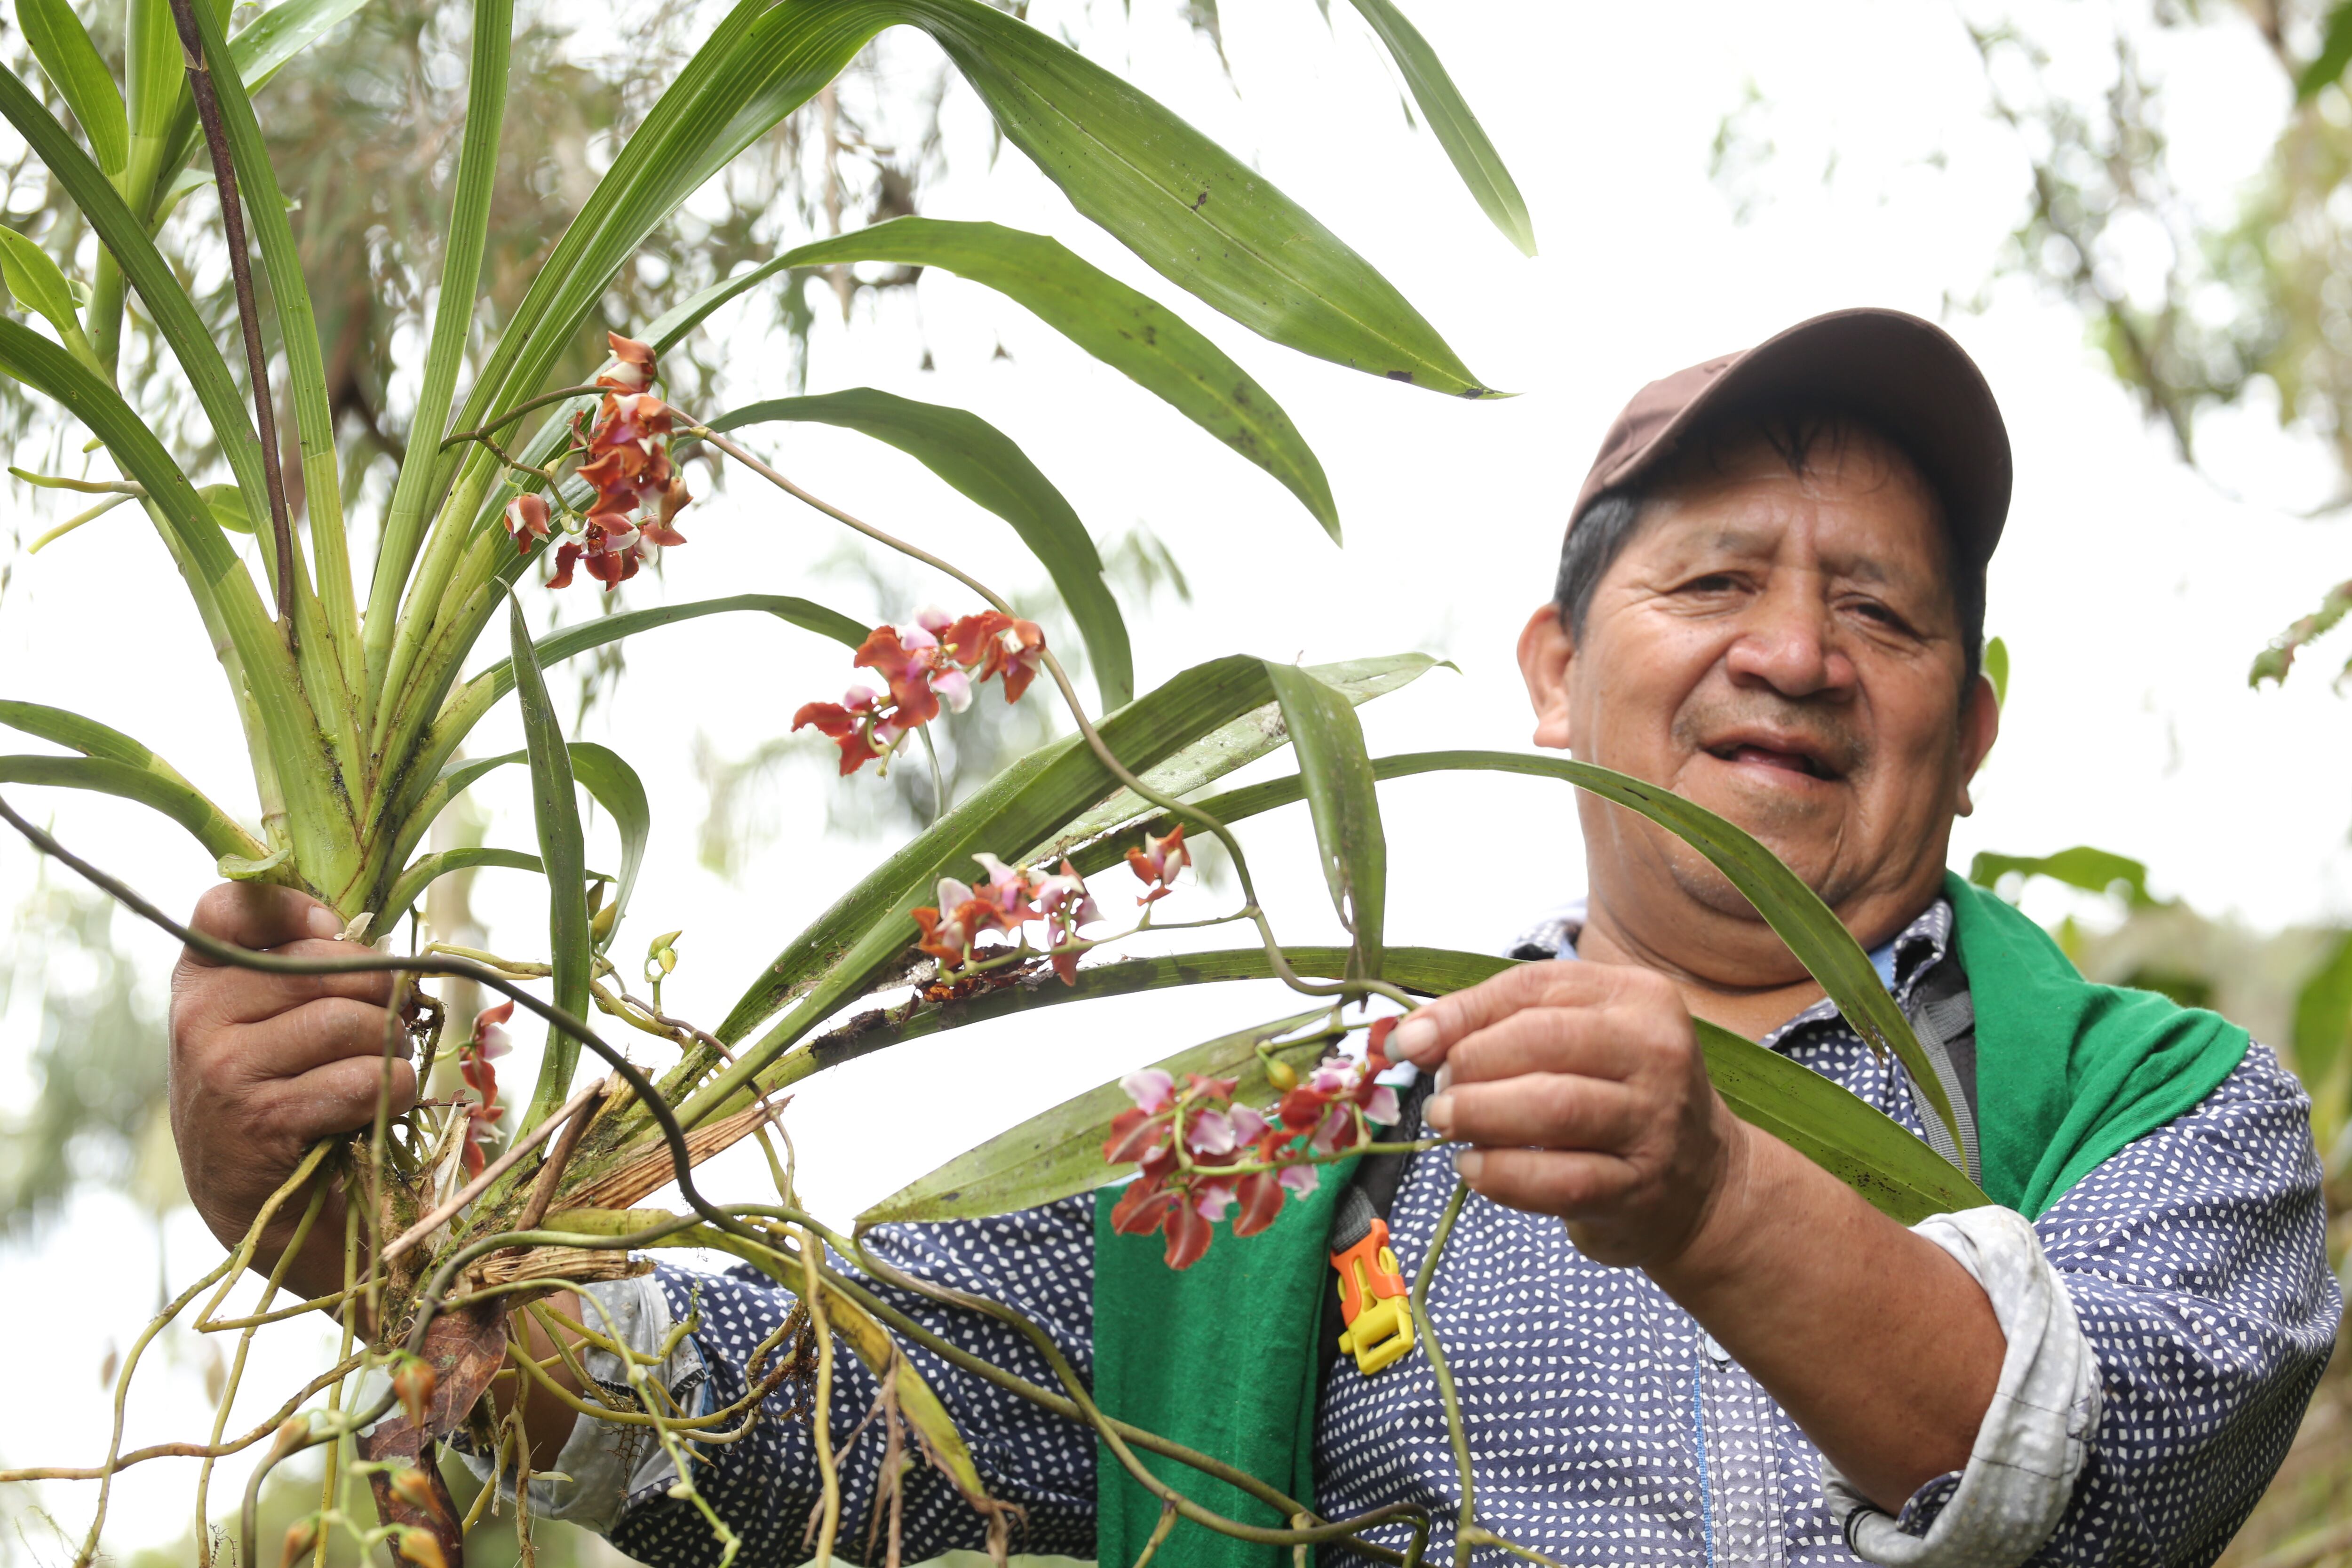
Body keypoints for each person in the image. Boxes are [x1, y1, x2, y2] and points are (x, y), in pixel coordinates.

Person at [169, 308, 2341, 1568]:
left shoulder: (2162, 1114)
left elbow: (2102, 1471)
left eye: (1875, 607)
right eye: (1710, 585)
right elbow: (795, 1405)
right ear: (1547, 668)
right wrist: (384, 1241)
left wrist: (1710, 1190)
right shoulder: (1293, 1135)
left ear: (1968, 729)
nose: (1793, 651)